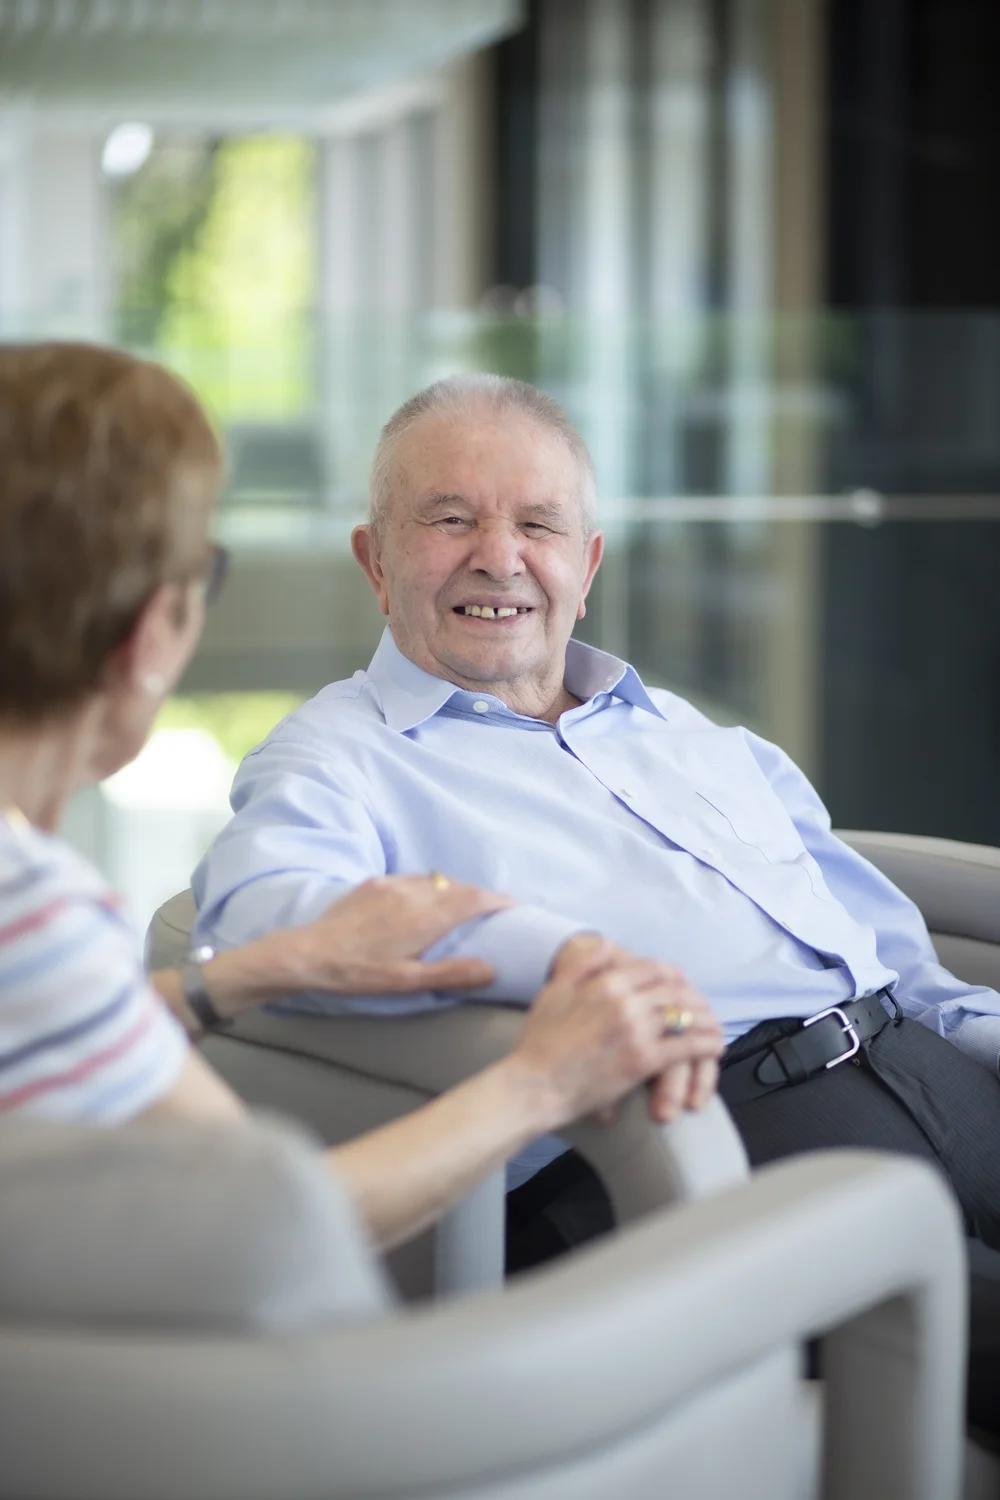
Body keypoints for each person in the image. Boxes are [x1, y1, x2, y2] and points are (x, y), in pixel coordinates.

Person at [192, 372, 1000, 1422]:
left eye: (538, 522)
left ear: (587, 563)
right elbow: (260, 921)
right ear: (373, 560)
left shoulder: (697, 735)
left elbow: (890, 954)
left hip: (925, 1076)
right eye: (449, 519)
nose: (499, 556)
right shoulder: (336, 756)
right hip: (701, 1143)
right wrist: (564, 959)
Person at [0, 342, 724, 1257]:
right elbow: (274, 1226)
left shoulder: (36, 937)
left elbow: (50, 1031)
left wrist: (235, 980)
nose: (498, 557)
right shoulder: (33, 914)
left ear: (587, 566)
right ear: (151, 636)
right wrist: (540, 1084)